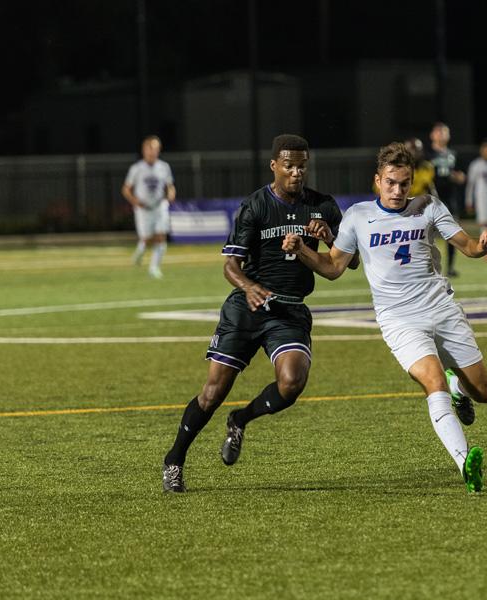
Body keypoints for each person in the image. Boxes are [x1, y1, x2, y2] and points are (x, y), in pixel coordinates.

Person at [282, 142, 487, 494]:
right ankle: (465, 462)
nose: (398, 190)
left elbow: (467, 245)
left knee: (484, 392)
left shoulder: (428, 207)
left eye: (405, 183)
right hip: (399, 320)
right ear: (377, 181)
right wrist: (304, 250)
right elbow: (335, 267)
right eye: (391, 183)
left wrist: (483, 245)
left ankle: (461, 388)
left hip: (441, 309)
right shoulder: (357, 216)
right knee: (433, 382)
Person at [161, 134, 352, 493]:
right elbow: (230, 266)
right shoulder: (256, 206)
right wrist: (248, 286)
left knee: (293, 382)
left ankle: (241, 419)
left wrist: (328, 236)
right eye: (289, 165)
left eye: (302, 165)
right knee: (213, 391)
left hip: (289, 311)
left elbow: (349, 262)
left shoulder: (323, 206)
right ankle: (175, 459)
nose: (296, 172)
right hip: (246, 310)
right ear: (274, 166)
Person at [122, 135, 176, 279]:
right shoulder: (137, 168)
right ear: (144, 150)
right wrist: (135, 201)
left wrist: (171, 194)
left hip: (159, 206)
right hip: (143, 209)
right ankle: (140, 252)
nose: (152, 152)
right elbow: (126, 189)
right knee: (147, 238)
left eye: (155, 149)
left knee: (160, 236)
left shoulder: (164, 167)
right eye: (149, 148)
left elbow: (170, 186)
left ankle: (154, 268)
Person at [428, 122, 466, 277]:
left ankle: (450, 267)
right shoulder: (426, 154)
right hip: (430, 200)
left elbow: (461, 175)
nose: (442, 134)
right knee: (426, 234)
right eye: (438, 131)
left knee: (452, 233)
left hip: (449, 199)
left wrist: (459, 177)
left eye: (444, 132)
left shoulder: (453, 154)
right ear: (432, 135)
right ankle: (428, 268)